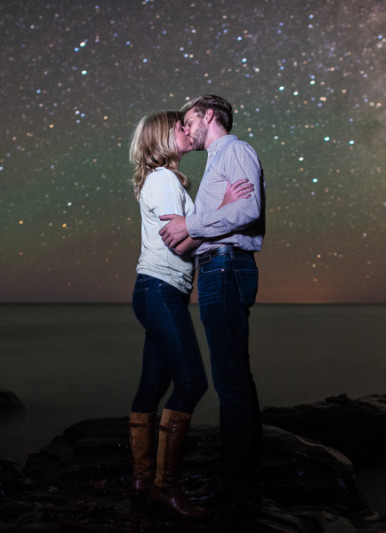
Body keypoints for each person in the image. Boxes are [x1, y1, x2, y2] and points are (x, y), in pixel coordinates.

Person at [127, 110, 252, 518]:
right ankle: (165, 486)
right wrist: (226, 211)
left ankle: (144, 478)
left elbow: (185, 233)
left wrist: (203, 222)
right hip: (160, 290)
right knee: (192, 383)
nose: (186, 130)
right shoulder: (163, 180)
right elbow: (179, 244)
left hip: (161, 292)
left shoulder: (165, 180)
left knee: (152, 385)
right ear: (163, 136)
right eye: (179, 127)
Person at [158, 95, 266, 504]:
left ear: (209, 115)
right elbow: (196, 237)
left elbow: (247, 209)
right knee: (233, 375)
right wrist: (193, 231)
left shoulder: (234, 151)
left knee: (229, 379)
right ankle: (243, 473)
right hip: (218, 268)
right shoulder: (217, 162)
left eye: (189, 120)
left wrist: (192, 223)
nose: (186, 129)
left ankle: (233, 480)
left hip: (227, 267)